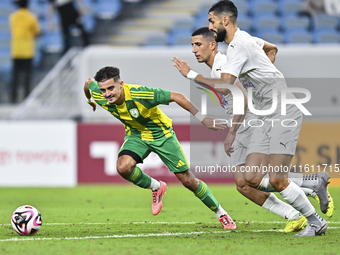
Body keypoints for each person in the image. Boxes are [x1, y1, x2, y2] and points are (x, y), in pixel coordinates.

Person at [181, 1, 329, 237]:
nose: (210, 25)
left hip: (282, 109)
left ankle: (315, 222)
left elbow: (226, 84)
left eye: (211, 21)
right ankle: (312, 184)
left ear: (225, 21)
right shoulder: (243, 41)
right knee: (249, 178)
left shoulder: (238, 46)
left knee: (277, 179)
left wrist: (191, 75)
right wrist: (264, 70)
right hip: (263, 115)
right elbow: (271, 48)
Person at [83, 66, 237, 229]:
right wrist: (89, 100)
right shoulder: (100, 94)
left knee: (187, 180)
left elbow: (177, 96)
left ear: (121, 84)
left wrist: (203, 118)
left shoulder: (140, 94)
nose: (107, 94)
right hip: (136, 135)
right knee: (123, 168)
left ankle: (221, 213)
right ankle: (156, 186)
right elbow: (88, 83)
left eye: (111, 88)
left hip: (161, 135)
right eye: (103, 90)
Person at [9, 0, 40, 103]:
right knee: (27, 77)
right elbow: (37, 32)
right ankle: (26, 100)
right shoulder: (31, 18)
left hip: (16, 51)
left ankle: (13, 100)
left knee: (15, 78)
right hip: (27, 51)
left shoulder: (13, 17)